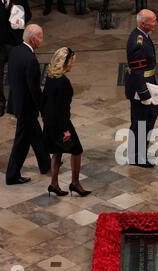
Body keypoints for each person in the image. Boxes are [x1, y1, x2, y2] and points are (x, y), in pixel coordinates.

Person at [42, 47, 91, 197]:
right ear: (65, 62)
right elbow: (62, 109)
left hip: (49, 122)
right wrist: (66, 130)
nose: (72, 65)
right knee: (77, 150)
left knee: (57, 152)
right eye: (71, 62)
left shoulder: (50, 77)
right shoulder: (64, 82)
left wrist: (45, 118)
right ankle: (75, 183)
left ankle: (54, 184)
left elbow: (43, 100)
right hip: (60, 123)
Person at [5, 24, 50, 185]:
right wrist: (43, 108)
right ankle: (12, 175)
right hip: (27, 108)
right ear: (33, 39)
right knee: (21, 143)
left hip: (18, 103)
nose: (42, 40)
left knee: (36, 135)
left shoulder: (15, 51)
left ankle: (45, 164)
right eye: (41, 37)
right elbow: (34, 89)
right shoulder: (30, 60)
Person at [124, 9, 158, 168]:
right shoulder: (138, 43)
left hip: (147, 83)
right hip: (141, 88)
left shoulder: (143, 36)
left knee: (149, 118)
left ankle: (140, 152)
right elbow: (137, 71)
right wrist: (144, 95)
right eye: (153, 21)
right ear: (143, 24)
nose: (155, 23)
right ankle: (136, 156)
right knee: (140, 122)